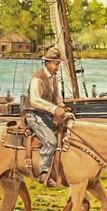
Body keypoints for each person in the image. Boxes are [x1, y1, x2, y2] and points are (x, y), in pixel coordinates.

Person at [22, 46, 71, 185]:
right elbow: (34, 100)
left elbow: (57, 99)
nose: (57, 67)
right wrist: (54, 109)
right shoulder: (37, 78)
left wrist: (62, 107)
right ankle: (43, 172)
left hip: (46, 116)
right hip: (34, 115)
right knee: (52, 141)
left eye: (58, 64)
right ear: (48, 63)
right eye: (56, 64)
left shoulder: (54, 79)